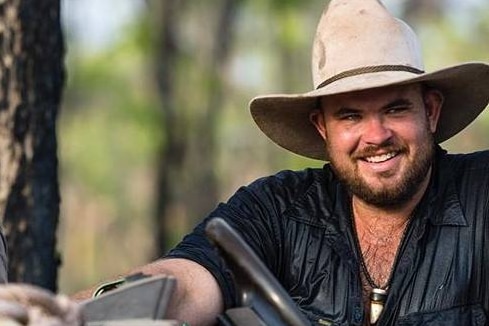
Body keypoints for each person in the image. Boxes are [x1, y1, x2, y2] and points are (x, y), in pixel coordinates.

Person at [75, 0, 489, 325]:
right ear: (322, 128)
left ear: (430, 112)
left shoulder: (480, 194)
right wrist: (73, 315)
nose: (376, 135)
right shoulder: (277, 208)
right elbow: (187, 281)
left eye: (396, 109)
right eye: (350, 116)